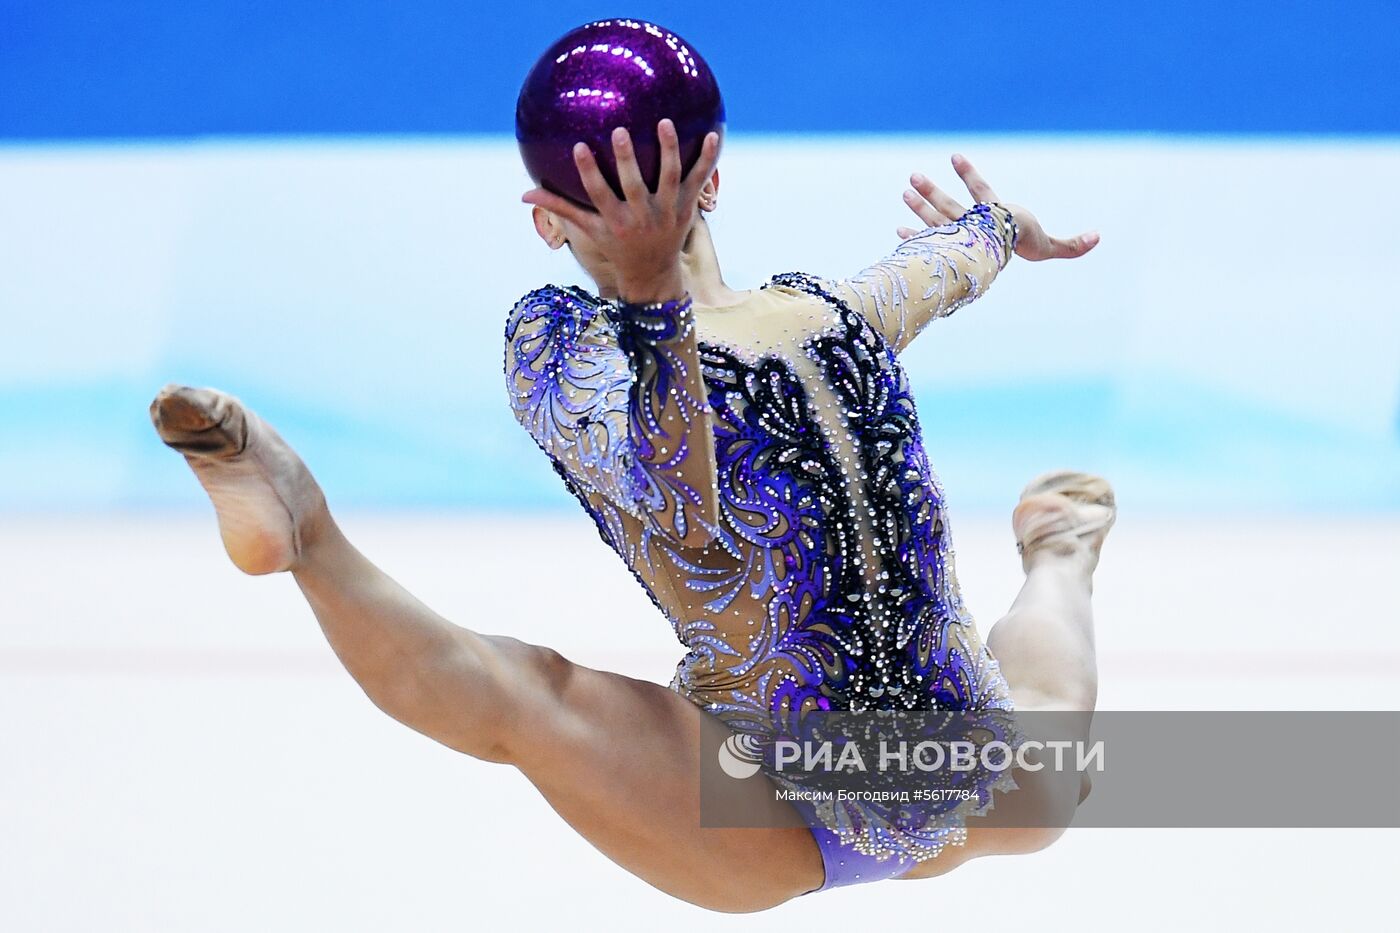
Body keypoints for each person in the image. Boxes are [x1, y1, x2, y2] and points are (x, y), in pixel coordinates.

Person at [150, 40, 1112, 917]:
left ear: (545, 217)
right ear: (713, 181)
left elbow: (946, 263)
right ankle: (304, 533)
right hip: (758, 798)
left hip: (962, 773)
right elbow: (682, 503)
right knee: (530, 693)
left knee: (1054, 741)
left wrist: (999, 227)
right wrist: (654, 303)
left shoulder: (834, 313)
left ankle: (1060, 546)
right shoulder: (563, 346)